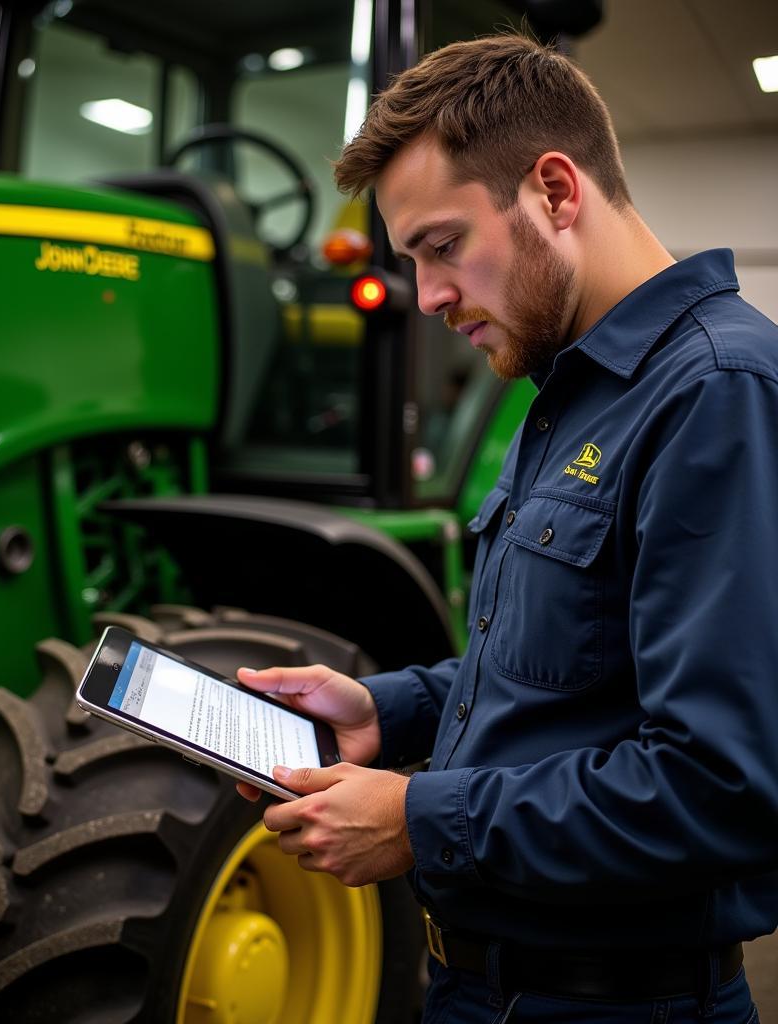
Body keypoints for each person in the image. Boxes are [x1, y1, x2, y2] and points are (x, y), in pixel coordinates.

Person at [235, 32, 778, 1024]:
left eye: (442, 246)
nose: (429, 296)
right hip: (480, 986)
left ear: (555, 192)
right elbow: (572, 679)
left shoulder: (714, 392)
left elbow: (721, 789)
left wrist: (417, 819)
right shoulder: (562, 386)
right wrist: (385, 710)